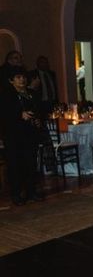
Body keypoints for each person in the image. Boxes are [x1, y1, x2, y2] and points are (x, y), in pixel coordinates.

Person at [0, 66, 44, 205]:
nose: (22, 80)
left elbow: (39, 109)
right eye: (18, 77)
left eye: (23, 77)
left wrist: (38, 119)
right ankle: (16, 194)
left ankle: (31, 191)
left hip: (30, 134)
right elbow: (3, 114)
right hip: (13, 135)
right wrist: (19, 115)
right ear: (11, 80)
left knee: (30, 163)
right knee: (15, 165)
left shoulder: (31, 93)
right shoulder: (6, 95)